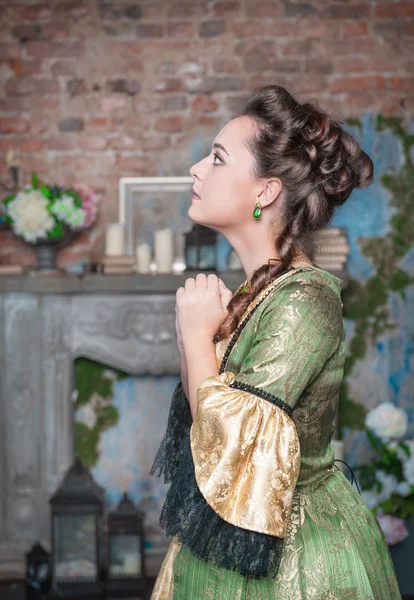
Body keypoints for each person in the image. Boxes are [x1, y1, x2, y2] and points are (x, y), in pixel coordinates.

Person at [149, 85, 401, 599]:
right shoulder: (260, 289)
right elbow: (208, 428)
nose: (196, 169)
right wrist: (193, 339)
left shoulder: (304, 300)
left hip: (299, 559)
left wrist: (197, 335)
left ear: (264, 192)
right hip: (229, 532)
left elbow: (236, 450)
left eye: (217, 158)